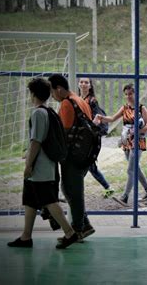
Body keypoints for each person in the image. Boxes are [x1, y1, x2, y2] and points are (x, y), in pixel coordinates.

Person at [7, 78, 78, 249]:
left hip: (41, 168)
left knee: (49, 200)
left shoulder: (39, 113)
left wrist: (28, 165)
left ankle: (70, 233)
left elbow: (36, 141)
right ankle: (26, 237)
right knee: (30, 200)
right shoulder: (48, 111)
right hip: (44, 168)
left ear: (33, 94)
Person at [48, 74, 95, 240]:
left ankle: (77, 229)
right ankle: (85, 225)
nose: (52, 96)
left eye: (52, 91)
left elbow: (64, 133)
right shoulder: (79, 99)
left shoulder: (67, 103)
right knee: (69, 189)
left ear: (59, 89)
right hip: (85, 153)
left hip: (73, 155)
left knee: (73, 192)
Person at [95, 84, 147, 205]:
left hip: (138, 140)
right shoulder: (124, 108)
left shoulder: (142, 109)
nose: (128, 96)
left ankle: (125, 196)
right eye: (126, 94)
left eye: (130, 94)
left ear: (136, 94)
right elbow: (112, 119)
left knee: (130, 170)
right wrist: (101, 118)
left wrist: (137, 131)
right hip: (126, 140)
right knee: (135, 168)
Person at [78, 77, 115, 198]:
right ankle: (108, 188)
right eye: (81, 82)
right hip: (83, 136)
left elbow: (97, 119)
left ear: (90, 86)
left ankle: (74, 191)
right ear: (78, 84)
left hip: (91, 138)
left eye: (86, 82)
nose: (83, 84)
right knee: (90, 166)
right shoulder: (78, 99)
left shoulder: (92, 101)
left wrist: (92, 127)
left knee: (85, 165)